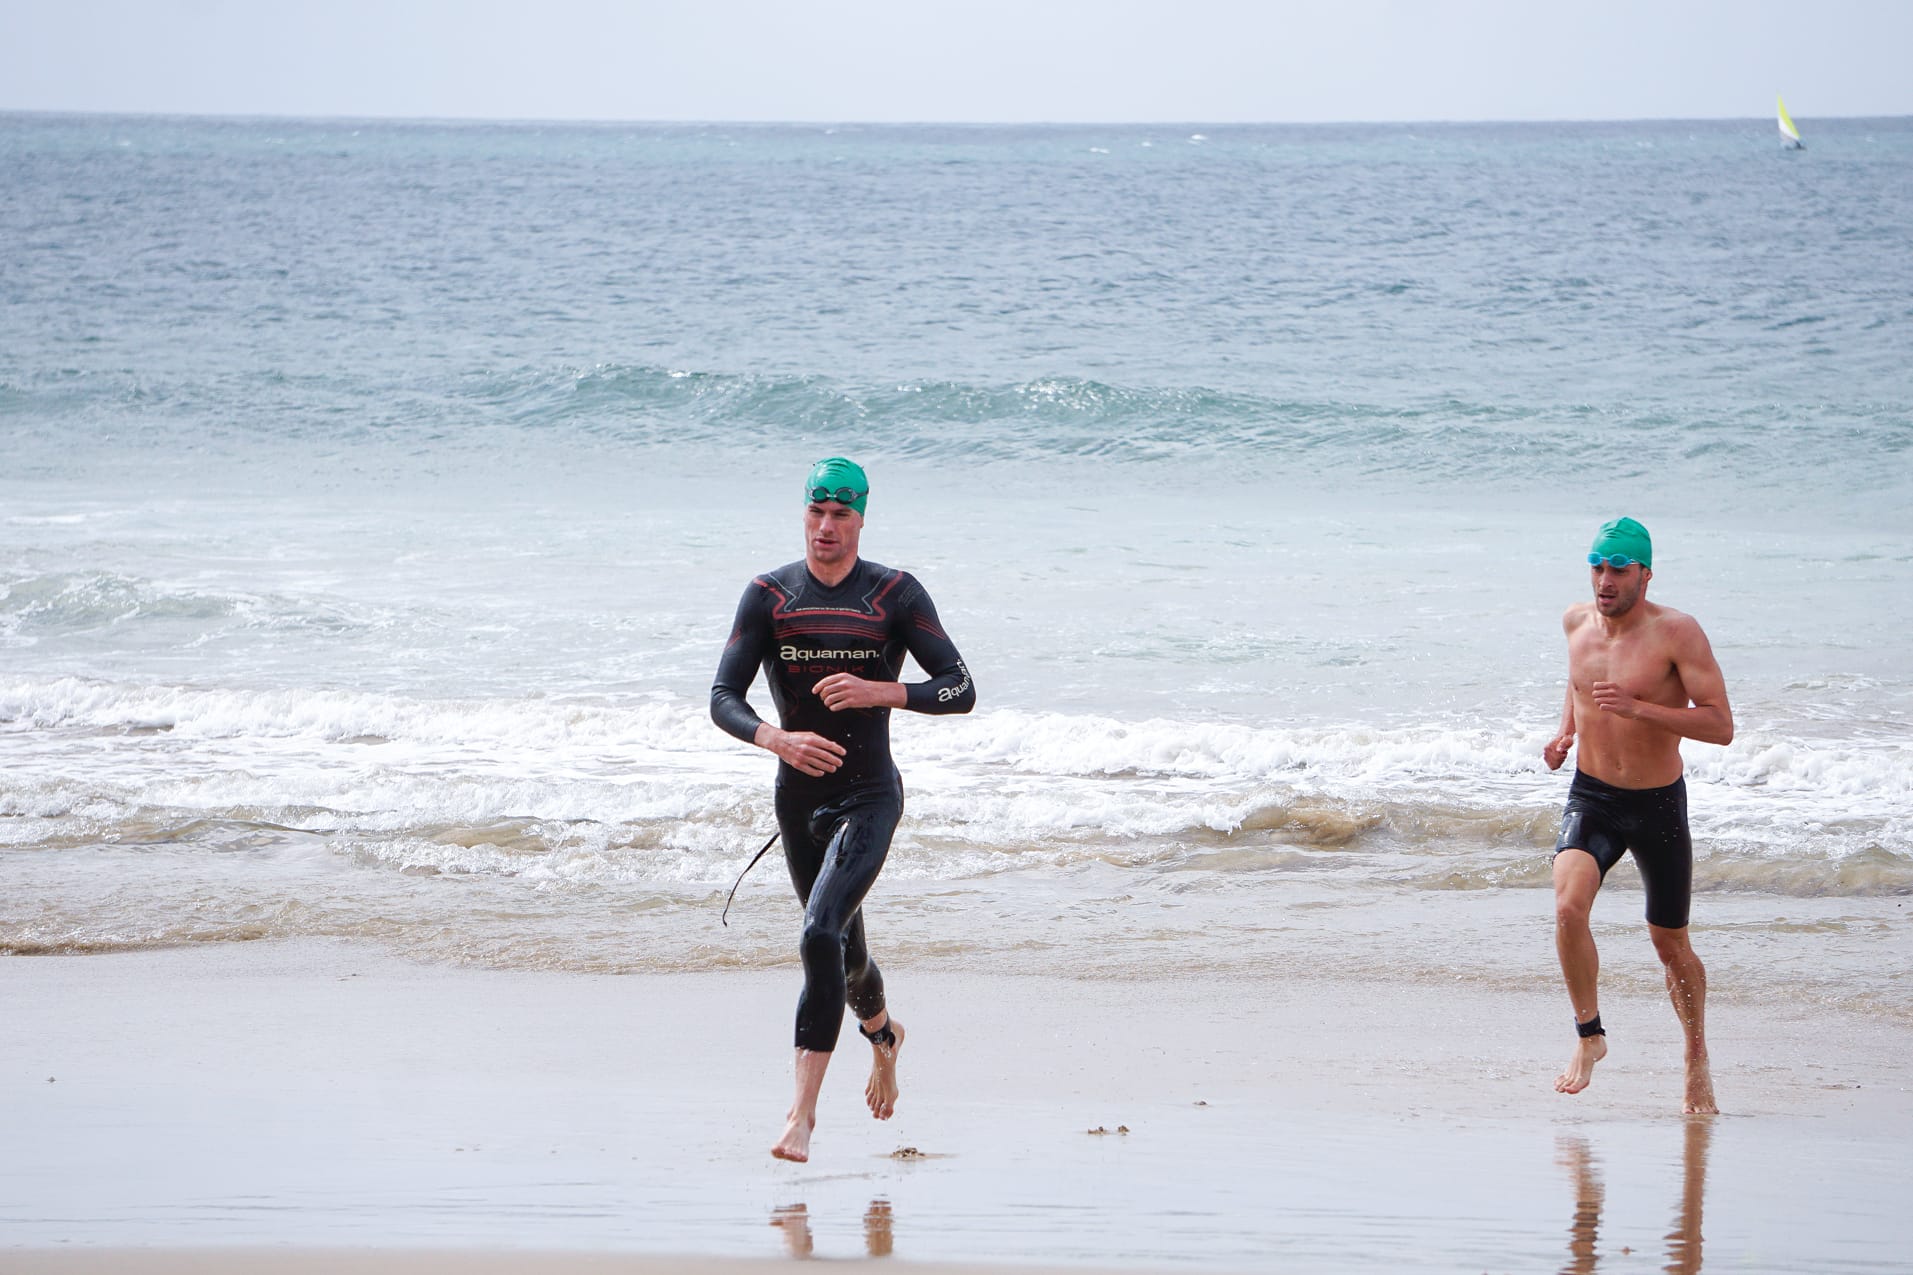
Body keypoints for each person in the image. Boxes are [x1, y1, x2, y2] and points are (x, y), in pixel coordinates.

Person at [711, 457, 976, 1162]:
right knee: (846, 954)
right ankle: (883, 1034)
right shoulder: (768, 595)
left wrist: (879, 691)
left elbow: (959, 687)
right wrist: (775, 738)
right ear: (803, 512)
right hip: (798, 799)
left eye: (841, 513)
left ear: (861, 518)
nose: (826, 526)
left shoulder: (893, 592)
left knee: (817, 933)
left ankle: (800, 1115)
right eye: (815, 511)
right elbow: (722, 698)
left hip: (867, 795)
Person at [1542, 516, 1732, 1114]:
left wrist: (1640, 709)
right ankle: (1589, 1035)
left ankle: (1695, 1055)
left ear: (1644, 574)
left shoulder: (1678, 633)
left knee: (1670, 944)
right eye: (1597, 565)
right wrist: (1563, 734)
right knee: (1568, 906)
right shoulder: (1575, 622)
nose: (1605, 578)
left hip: (1656, 805)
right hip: (1592, 795)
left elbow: (1721, 726)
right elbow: (1577, 686)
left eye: (1618, 568)